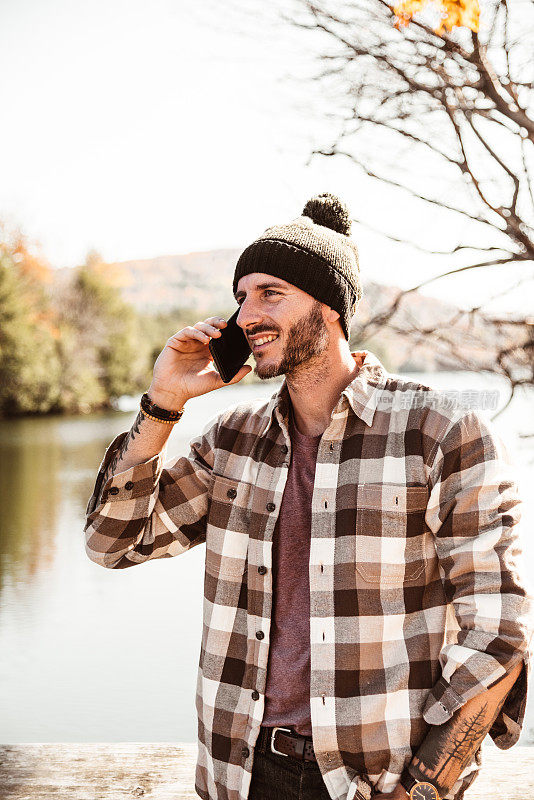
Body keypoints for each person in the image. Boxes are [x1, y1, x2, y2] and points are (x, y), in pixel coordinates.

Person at [84, 193, 531, 800]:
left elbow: (500, 631)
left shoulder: (442, 433)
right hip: (238, 776)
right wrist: (163, 405)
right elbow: (113, 544)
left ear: (330, 308)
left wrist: (425, 788)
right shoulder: (231, 441)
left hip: (375, 783)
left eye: (271, 293)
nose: (245, 316)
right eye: (241, 296)